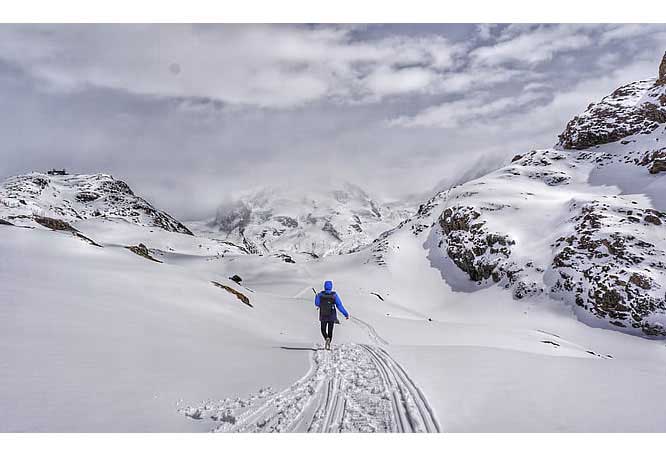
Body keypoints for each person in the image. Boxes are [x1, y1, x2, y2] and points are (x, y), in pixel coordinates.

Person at [314, 280, 349, 350]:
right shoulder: (334, 295)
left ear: (324, 286)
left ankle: (326, 338)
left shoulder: (320, 295)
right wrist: (346, 314)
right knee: (330, 330)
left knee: (323, 329)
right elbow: (339, 306)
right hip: (332, 315)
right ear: (331, 287)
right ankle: (329, 343)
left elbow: (317, 304)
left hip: (323, 315)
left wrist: (316, 296)